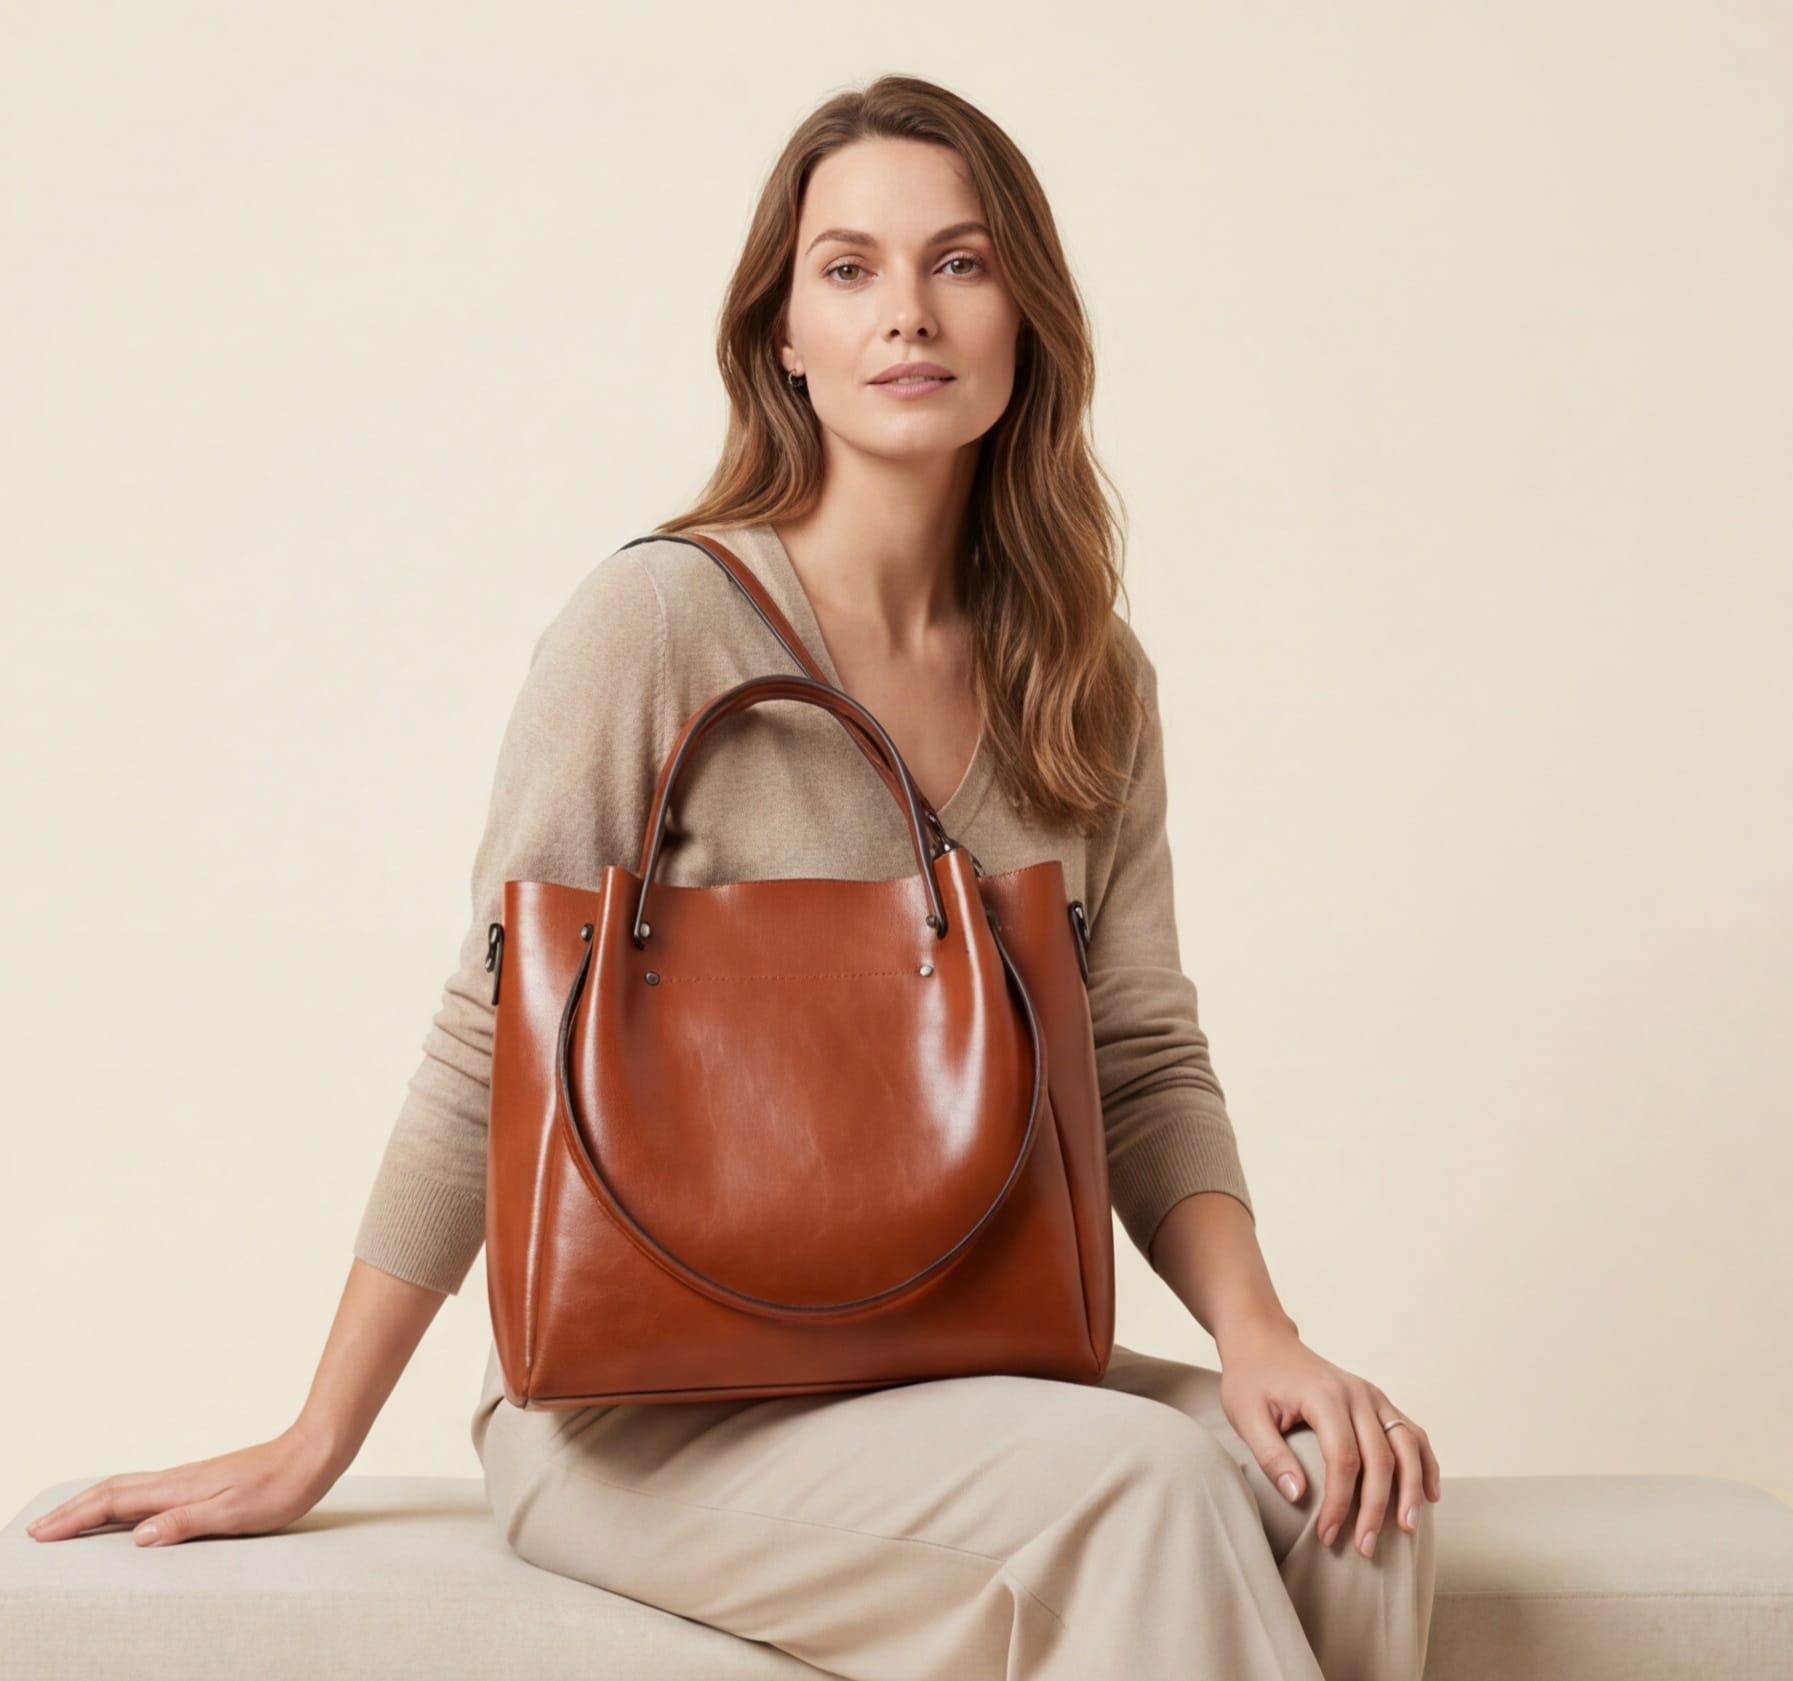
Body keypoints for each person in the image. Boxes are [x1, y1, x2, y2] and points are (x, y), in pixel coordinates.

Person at [26, 74, 1439, 1681]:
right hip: (648, 1403)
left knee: (1349, 1483)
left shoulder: (1083, 676)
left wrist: (1258, 1335)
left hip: (951, 1348)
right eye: (847, 269)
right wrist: (314, 1435)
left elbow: (1135, 1042)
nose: (906, 313)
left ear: (1027, 313)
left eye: (960, 263)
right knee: (1151, 1488)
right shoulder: (655, 624)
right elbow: (493, 1028)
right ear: (781, 332)